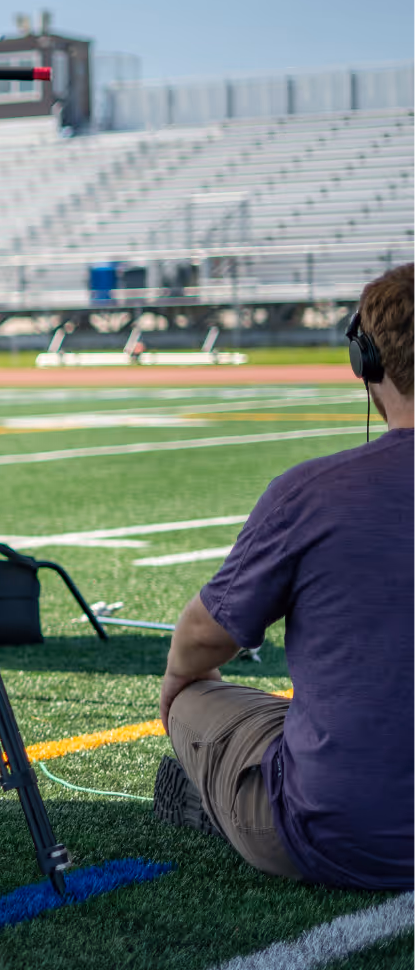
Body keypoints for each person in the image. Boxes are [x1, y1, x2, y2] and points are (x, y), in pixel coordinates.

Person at [154, 263, 415, 890]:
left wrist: (177, 687)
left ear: (366, 358)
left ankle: (215, 801)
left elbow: (202, 637)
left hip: (345, 837)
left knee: (199, 698)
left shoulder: (314, 491)